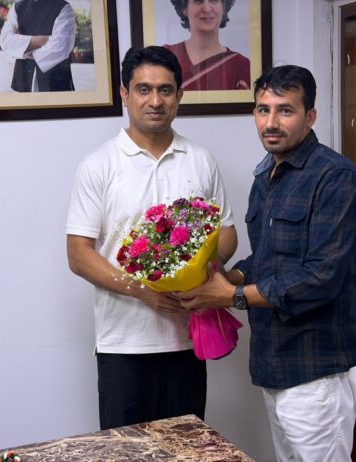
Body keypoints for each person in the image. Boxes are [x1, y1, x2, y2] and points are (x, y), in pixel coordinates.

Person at [176, 65, 356, 461]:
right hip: (273, 361)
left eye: (285, 110)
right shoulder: (266, 175)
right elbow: (267, 258)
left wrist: (231, 296)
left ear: (310, 116)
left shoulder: (335, 176)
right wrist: (228, 276)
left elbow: (321, 277)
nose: (271, 122)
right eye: (263, 110)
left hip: (317, 366)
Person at [66, 46, 237, 430]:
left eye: (165, 90)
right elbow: (78, 254)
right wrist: (142, 290)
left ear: (180, 95)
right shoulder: (99, 164)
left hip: (187, 342)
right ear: (124, 94)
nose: (155, 101)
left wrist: (203, 270)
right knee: (127, 453)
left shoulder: (200, 159)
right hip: (123, 346)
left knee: (188, 450)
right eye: (143, 89)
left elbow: (226, 233)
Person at [165, 0, 250, 91]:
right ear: (184, 8)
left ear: (223, 7)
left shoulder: (240, 66)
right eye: (199, 1)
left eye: (213, 0)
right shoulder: (165, 56)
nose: (207, 9)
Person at [0, 0, 76, 92]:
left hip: (55, 80)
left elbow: (61, 47)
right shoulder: (17, 7)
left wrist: (23, 49)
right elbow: (5, 41)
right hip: (23, 77)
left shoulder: (64, 7)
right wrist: (41, 40)